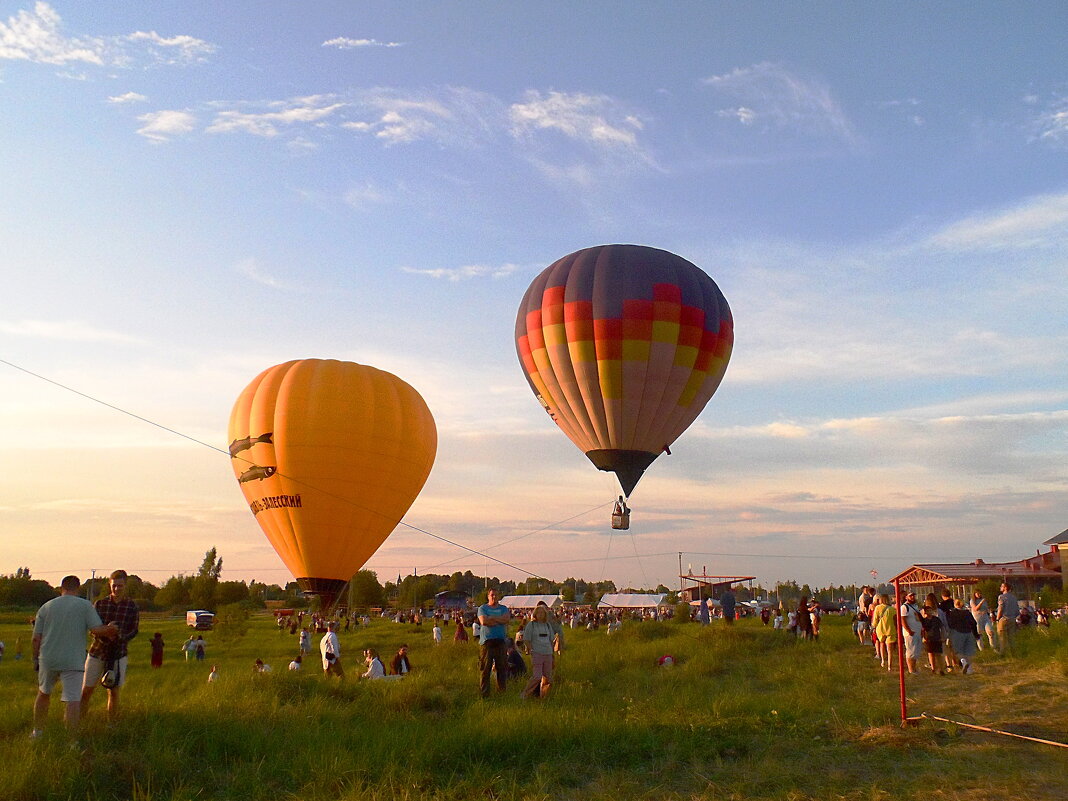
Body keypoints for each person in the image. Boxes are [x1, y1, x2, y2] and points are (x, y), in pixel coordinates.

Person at [31, 575, 116, 736]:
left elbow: (36, 638)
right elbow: (96, 629)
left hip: (48, 658)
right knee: (72, 701)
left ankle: (37, 731)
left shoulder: (46, 607)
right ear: (78, 588)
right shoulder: (84, 605)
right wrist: (111, 629)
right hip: (73, 660)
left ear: (61, 588)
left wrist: (35, 658)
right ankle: (72, 740)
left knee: (43, 693)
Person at [81, 569, 139, 723]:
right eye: (114, 586)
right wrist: (106, 631)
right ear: (109, 585)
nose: (116, 589)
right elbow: (92, 629)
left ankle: (111, 724)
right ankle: (78, 722)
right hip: (97, 652)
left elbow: (134, 630)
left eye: (120, 586)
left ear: (125, 586)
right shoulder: (100, 604)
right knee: (86, 690)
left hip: (118, 655)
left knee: (113, 692)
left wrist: (119, 635)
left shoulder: (131, 606)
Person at [520, 601, 564, 699]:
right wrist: (531, 650)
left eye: (542, 613)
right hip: (537, 653)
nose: (540, 615)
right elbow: (526, 639)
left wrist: (552, 653)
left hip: (547, 653)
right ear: (535, 614)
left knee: (548, 677)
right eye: (538, 613)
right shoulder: (531, 625)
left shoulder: (547, 625)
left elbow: (551, 639)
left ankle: (543, 696)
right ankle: (525, 694)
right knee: (537, 676)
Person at [477, 588, 511, 697]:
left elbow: (506, 619)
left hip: (500, 641)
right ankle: (485, 694)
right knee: (485, 669)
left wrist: (492, 618)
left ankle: (501, 692)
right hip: (487, 642)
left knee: (501, 668)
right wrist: (498, 620)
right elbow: (484, 621)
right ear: (488, 596)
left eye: (496, 595)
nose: (494, 597)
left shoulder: (503, 608)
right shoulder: (483, 608)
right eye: (492, 595)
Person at [947, 599, 980, 674]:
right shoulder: (967, 613)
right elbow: (973, 623)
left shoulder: (952, 613)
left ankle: (963, 662)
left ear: (955, 605)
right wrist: (976, 634)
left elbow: (950, 625)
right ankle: (970, 669)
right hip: (968, 632)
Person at [899, 590, 923, 675]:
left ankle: (914, 668)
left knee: (916, 651)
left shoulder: (915, 606)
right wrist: (909, 630)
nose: (912, 597)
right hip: (910, 633)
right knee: (910, 651)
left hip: (917, 631)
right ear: (906, 597)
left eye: (913, 595)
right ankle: (911, 669)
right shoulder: (904, 607)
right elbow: (903, 620)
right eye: (910, 596)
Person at [920, 605, 945, 674]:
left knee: (938, 654)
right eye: (927, 611)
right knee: (931, 654)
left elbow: (942, 628)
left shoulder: (936, 619)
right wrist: (923, 637)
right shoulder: (924, 621)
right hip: (928, 639)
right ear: (925, 612)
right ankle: (933, 668)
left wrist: (943, 637)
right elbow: (922, 630)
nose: (929, 612)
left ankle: (941, 669)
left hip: (937, 638)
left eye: (930, 610)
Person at [996, 582, 1020, 655]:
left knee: (1002, 637)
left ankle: (1002, 653)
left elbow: (1000, 608)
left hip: (1004, 618)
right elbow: (1017, 610)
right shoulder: (1014, 597)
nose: (1000, 587)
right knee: (1011, 637)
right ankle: (1014, 653)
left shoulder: (1001, 597)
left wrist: (997, 619)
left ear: (1005, 588)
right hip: (1012, 619)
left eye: (1002, 586)